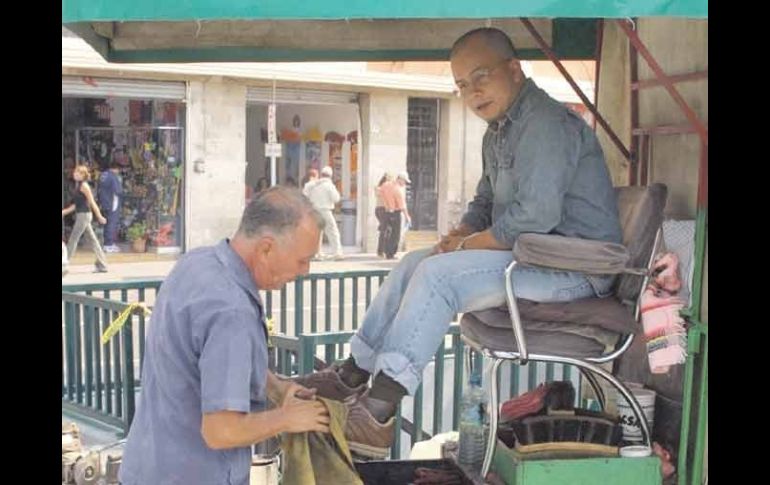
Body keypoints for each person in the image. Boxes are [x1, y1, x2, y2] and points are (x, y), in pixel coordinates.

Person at [295, 27, 623, 459]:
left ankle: (378, 411)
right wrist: (456, 237)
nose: (472, 92)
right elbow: (486, 203)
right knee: (418, 260)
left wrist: (468, 246)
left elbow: (536, 216)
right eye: (462, 85)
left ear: (514, 69)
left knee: (438, 277)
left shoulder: (545, 124)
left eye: (481, 77)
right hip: (533, 259)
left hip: (575, 267)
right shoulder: (499, 132)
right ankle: (353, 374)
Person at [119, 187, 331, 485]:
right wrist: (288, 418)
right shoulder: (232, 312)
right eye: (302, 260)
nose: (305, 271)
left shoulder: (198, 263)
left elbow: (208, 361)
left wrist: (277, 388)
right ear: (266, 248)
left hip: (149, 466)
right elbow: (221, 431)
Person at [62, 165, 109, 273]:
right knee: (93, 241)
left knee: (73, 239)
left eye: (78, 173)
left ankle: (64, 263)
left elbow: (92, 202)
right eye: (75, 172)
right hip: (81, 214)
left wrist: (99, 216)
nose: (75, 174)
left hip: (84, 215)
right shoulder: (78, 186)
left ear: (83, 175)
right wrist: (65, 211)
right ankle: (102, 265)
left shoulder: (84, 186)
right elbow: (76, 205)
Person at [304, 166, 344, 260]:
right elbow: (336, 198)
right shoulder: (329, 185)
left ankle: (316, 253)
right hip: (325, 210)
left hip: (314, 211)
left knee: (317, 233)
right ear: (330, 175)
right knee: (333, 231)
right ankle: (337, 252)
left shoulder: (312, 184)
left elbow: (305, 195)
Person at [377, 173, 409, 259]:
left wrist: (386, 204)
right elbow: (402, 206)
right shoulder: (397, 189)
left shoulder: (386, 185)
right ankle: (390, 253)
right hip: (395, 212)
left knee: (387, 233)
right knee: (395, 234)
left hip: (386, 211)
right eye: (404, 182)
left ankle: (384, 251)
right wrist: (407, 217)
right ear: (400, 179)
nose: (404, 184)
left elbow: (379, 192)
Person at [97, 161, 123, 252]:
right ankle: (109, 244)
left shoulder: (102, 175)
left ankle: (106, 244)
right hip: (112, 203)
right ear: (116, 169)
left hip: (104, 202)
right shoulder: (113, 177)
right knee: (112, 223)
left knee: (106, 223)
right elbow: (118, 191)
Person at [374, 172, 394, 258]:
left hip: (381, 210)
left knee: (386, 229)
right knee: (385, 230)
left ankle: (382, 250)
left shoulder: (380, 188)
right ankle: (381, 251)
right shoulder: (380, 188)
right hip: (382, 210)